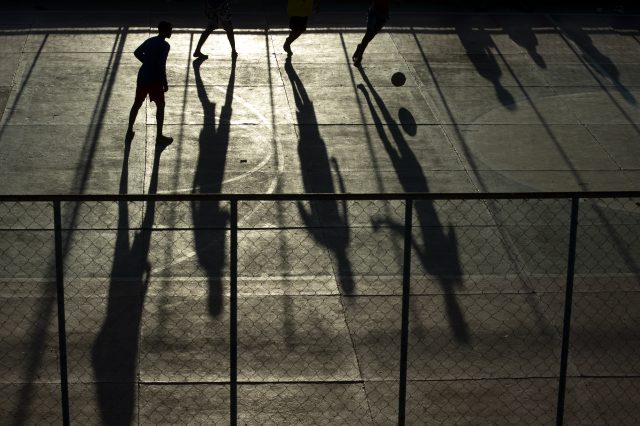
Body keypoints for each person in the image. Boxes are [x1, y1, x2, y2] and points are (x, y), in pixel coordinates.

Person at [127, 21, 173, 145]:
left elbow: (137, 52)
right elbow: (161, 65)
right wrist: (165, 82)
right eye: (170, 30)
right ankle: (159, 136)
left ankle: (129, 131)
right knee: (160, 105)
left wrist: (147, 62)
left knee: (137, 104)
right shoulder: (165, 45)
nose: (171, 32)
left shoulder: (150, 40)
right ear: (164, 31)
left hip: (143, 77)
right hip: (155, 79)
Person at [352, 0, 389, 66]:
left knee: (370, 36)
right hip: (374, 12)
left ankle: (360, 47)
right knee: (368, 34)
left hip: (383, 15)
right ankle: (360, 57)